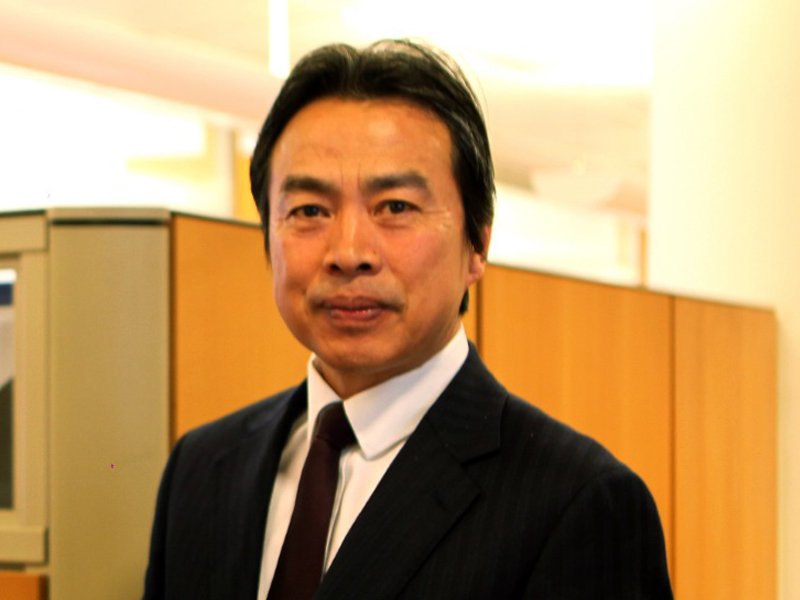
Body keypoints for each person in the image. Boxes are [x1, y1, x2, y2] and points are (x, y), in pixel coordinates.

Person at [143, 40, 673, 599]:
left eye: (395, 207)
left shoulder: (578, 502)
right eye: (309, 211)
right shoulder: (202, 470)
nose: (349, 252)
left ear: (477, 244)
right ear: (268, 237)